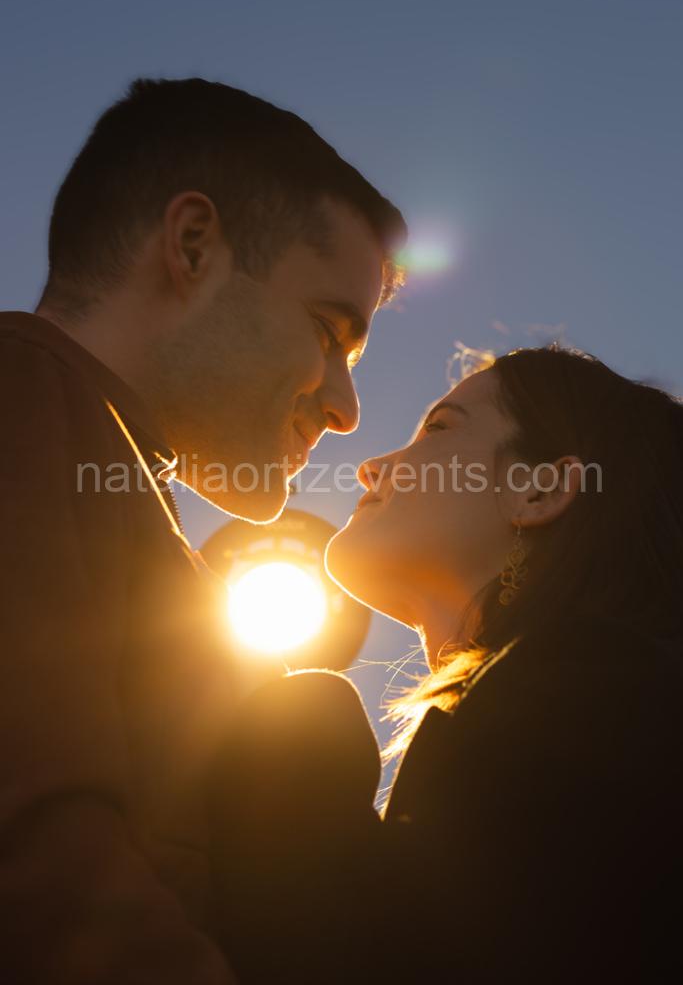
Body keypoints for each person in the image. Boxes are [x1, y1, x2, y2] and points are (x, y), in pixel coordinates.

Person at [0, 77, 406, 983]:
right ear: (193, 246)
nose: (344, 409)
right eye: (328, 331)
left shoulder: (108, 479)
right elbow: (37, 852)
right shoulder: (18, 394)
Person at [210, 345, 683, 984]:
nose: (372, 467)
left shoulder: (599, 702)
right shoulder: (592, 697)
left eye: (438, 427)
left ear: (539, 488)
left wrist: (293, 744)